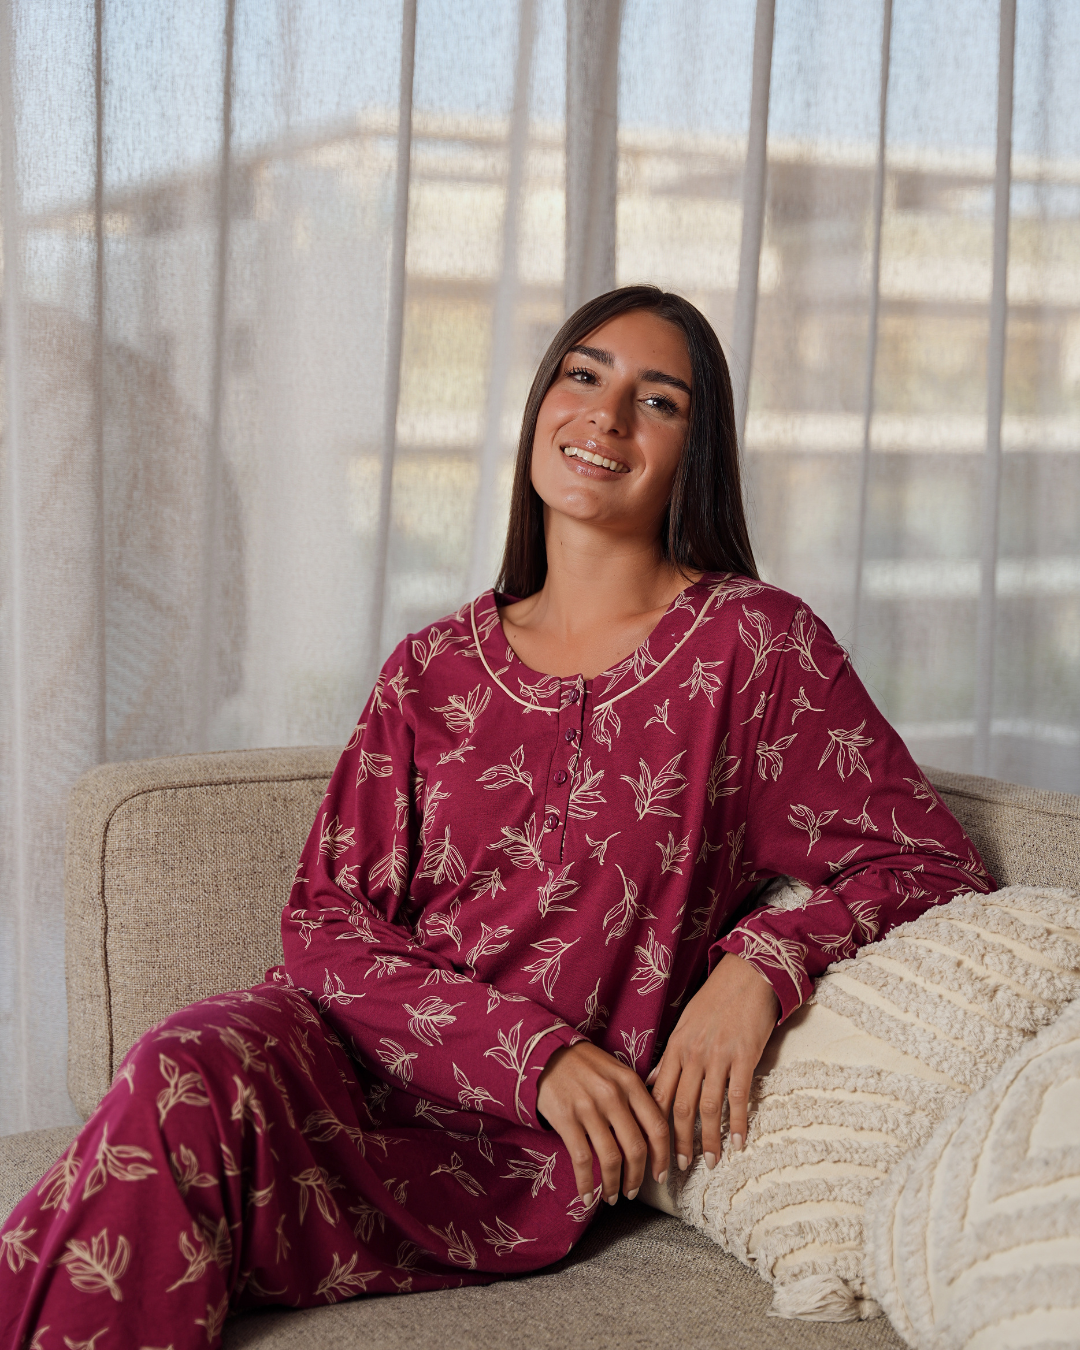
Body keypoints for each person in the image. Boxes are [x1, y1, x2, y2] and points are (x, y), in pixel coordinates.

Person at [0, 285, 993, 1347]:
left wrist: (760, 966)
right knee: (179, 1070)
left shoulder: (755, 649)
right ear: (540, 406)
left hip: (508, 1157)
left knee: (137, 1170)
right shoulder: (429, 668)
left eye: (658, 400)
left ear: (694, 454)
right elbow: (327, 924)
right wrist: (534, 1052)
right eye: (583, 376)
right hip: (340, 1060)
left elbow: (929, 864)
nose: (606, 415)